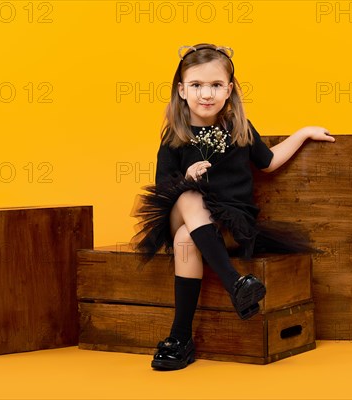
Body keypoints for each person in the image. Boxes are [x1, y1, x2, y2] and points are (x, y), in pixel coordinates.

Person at [132, 43, 335, 371]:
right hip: (177, 212)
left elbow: (268, 163)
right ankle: (235, 283)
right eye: (197, 85)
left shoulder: (238, 128)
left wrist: (303, 133)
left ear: (229, 89)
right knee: (188, 198)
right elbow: (163, 190)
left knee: (187, 240)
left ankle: (180, 338)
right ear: (181, 90)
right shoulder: (174, 136)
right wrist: (186, 177)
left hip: (227, 226)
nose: (206, 94)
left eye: (215, 85)